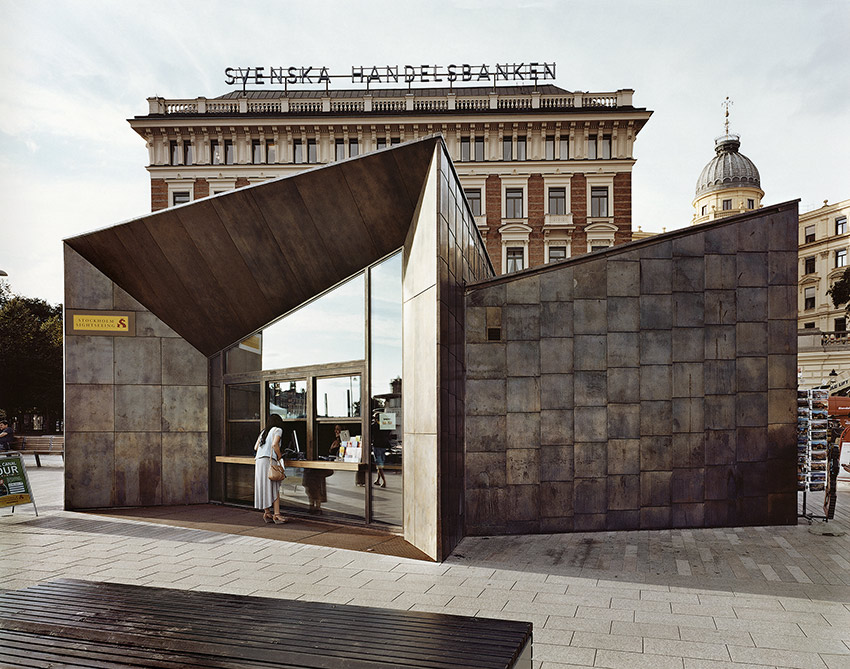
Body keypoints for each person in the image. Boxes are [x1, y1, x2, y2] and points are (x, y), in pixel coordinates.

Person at [254, 414, 287, 524]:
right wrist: (279, 455)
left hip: (259, 461)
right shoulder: (278, 430)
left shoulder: (264, 432)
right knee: (274, 486)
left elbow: (255, 447)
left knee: (263, 486)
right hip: (269, 460)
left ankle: (267, 512)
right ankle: (276, 514)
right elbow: (274, 444)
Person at [371, 412, 390, 488]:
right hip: (383, 446)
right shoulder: (385, 425)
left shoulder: (374, 426)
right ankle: (378, 480)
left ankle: (384, 481)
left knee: (379, 465)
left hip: (377, 446)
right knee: (380, 464)